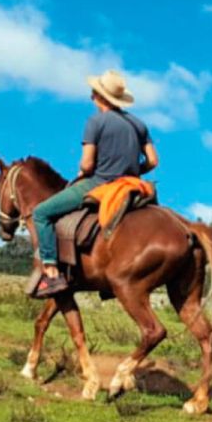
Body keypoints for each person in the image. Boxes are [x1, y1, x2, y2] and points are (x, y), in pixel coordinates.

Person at [31, 69, 158, 297]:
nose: (91, 96)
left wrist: (85, 170)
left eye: (94, 93)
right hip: (132, 185)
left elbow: (88, 165)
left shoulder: (95, 122)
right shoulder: (139, 125)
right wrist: (132, 170)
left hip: (100, 183)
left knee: (41, 213)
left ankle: (51, 272)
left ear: (100, 97)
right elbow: (153, 161)